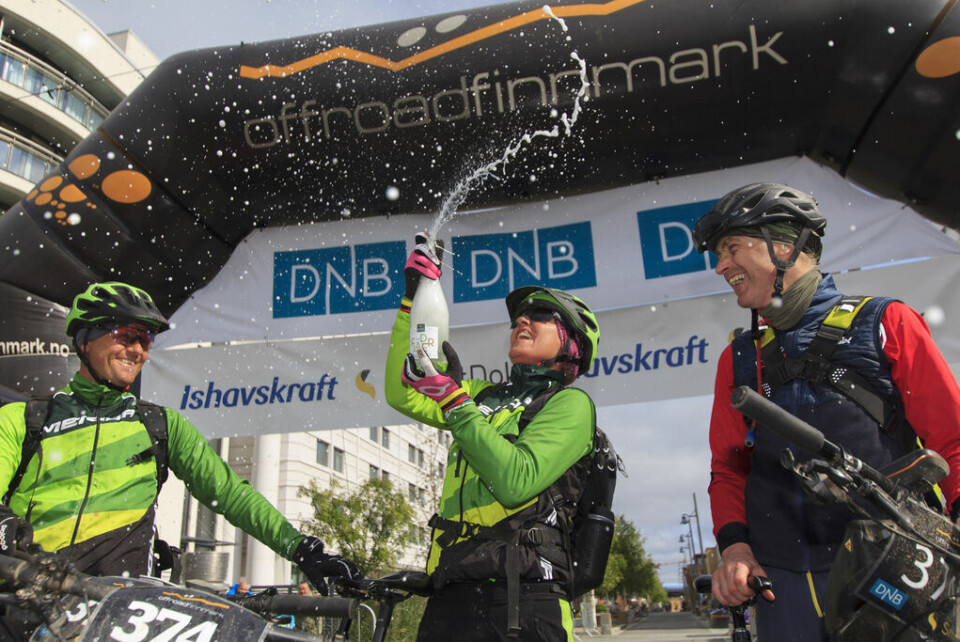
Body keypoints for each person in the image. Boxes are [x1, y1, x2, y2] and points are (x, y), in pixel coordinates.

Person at [0, 282, 360, 634]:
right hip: (28, 604)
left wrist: (301, 549)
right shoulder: (25, 419)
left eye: (146, 340)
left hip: (116, 616)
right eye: (127, 335)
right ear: (84, 340)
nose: (138, 350)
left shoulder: (160, 425)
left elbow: (231, 494)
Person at [693, 183, 960, 640]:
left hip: (892, 570)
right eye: (719, 254)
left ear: (785, 245)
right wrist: (735, 549)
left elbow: (952, 440)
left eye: (733, 248)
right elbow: (729, 470)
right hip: (783, 585)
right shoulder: (738, 359)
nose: (721, 267)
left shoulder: (885, 322)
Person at [385, 235, 601, 641]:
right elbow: (403, 390)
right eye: (519, 316)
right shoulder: (481, 395)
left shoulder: (571, 405)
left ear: (572, 342)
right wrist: (413, 300)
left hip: (527, 599)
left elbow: (515, 480)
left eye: (540, 314)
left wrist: (453, 400)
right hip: (451, 592)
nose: (522, 320)